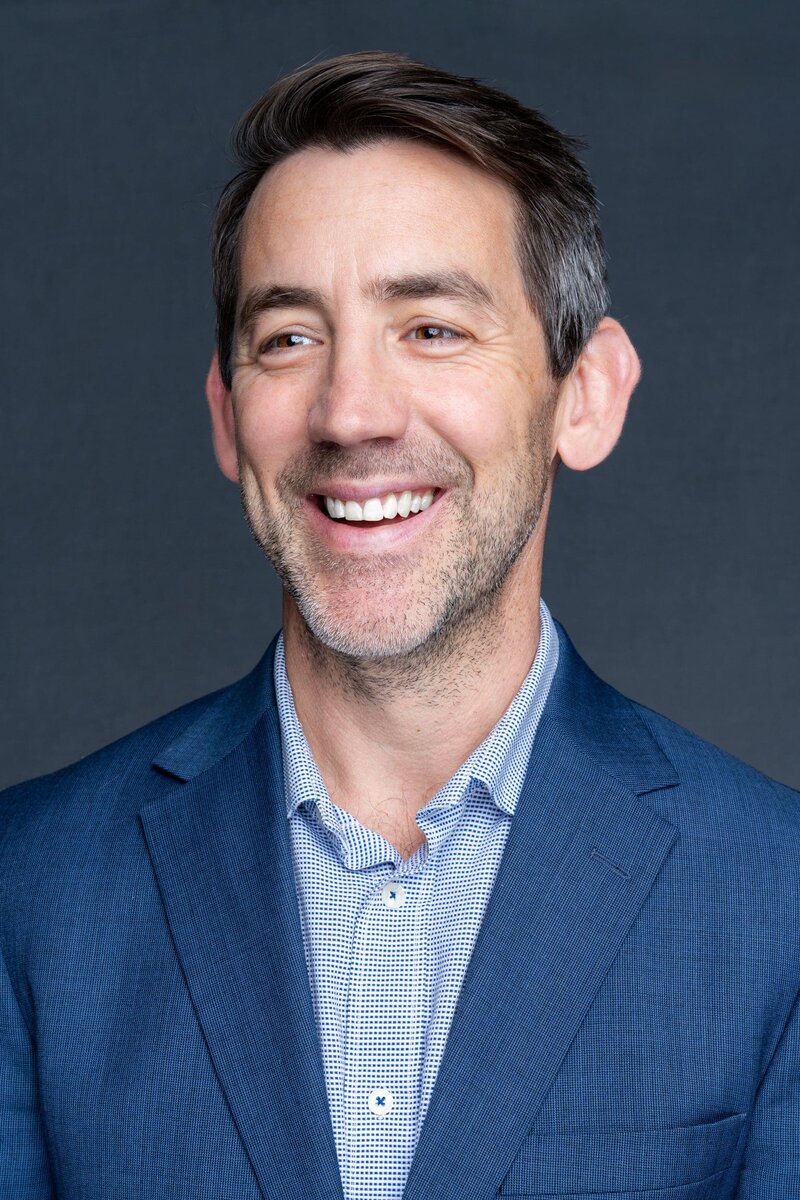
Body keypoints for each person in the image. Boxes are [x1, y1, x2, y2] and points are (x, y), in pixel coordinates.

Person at [1, 50, 797, 1200]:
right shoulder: (29, 894)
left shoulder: (776, 903)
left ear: (585, 395)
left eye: (429, 328)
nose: (349, 412)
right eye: (288, 338)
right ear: (228, 418)